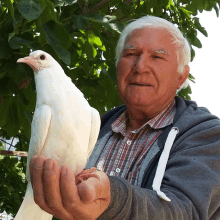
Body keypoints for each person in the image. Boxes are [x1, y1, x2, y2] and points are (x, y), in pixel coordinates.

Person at [30, 16, 220, 219]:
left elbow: (184, 211)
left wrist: (113, 199)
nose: (140, 67)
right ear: (117, 66)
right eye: (130, 54)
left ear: (181, 75)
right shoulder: (93, 126)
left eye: (157, 57)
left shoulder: (207, 134)